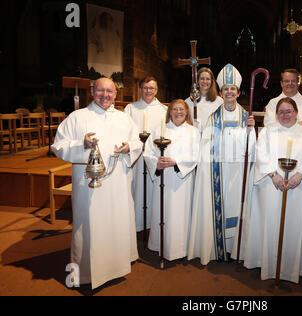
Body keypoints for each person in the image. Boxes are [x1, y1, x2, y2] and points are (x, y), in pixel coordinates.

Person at [52, 77, 142, 289]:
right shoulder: (77, 117)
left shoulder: (123, 118)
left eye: (110, 92)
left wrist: (129, 147)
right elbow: (58, 146)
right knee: (89, 225)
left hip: (118, 180)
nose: (105, 95)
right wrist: (81, 143)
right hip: (89, 184)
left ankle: (116, 265)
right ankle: (87, 272)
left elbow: (137, 141)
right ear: (92, 91)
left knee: (117, 221)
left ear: (116, 94)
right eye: (100, 91)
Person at [243, 97, 302, 283]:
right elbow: (260, 152)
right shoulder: (268, 131)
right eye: (281, 112)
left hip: (298, 187)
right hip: (272, 187)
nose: (285, 115)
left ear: (296, 112)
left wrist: (300, 175)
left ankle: (293, 268)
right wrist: (273, 175)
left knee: (295, 226)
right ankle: (269, 265)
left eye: (289, 111)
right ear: (276, 115)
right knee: (271, 224)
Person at [188, 64, 256, 265]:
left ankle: (235, 248)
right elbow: (206, 144)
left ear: (238, 92)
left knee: (237, 207)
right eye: (225, 89)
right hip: (217, 172)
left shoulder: (246, 118)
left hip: (238, 173)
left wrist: (251, 131)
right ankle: (219, 248)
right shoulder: (213, 117)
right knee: (220, 207)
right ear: (221, 92)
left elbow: (252, 148)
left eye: (232, 89)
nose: (228, 92)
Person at [143, 99, 200, 261]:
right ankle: (159, 245)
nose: (178, 112)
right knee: (163, 211)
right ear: (170, 112)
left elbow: (196, 155)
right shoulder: (159, 130)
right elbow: (148, 152)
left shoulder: (193, 131)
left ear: (187, 111)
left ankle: (180, 249)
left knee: (180, 215)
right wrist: (156, 163)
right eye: (174, 109)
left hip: (182, 181)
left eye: (181, 109)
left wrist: (176, 162)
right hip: (164, 179)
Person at [124, 77, 167, 233]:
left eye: (152, 88)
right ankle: (137, 224)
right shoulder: (130, 108)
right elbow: (124, 131)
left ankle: (152, 224)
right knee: (136, 188)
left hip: (154, 157)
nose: (148, 91)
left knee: (154, 189)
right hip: (136, 157)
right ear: (140, 89)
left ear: (156, 90)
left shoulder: (163, 110)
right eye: (145, 88)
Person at [185, 67, 223, 132]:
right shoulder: (188, 102)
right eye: (202, 79)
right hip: (194, 138)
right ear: (197, 81)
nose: (205, 81)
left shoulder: (219, 101)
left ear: (211, 81)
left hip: (212, 138)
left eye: (207, 79)